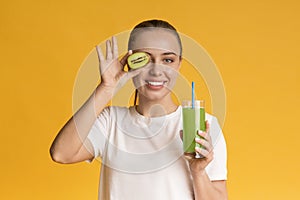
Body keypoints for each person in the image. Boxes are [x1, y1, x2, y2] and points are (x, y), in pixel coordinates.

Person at [50, 19, 228, 200]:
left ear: (179, 64)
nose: (156, 71)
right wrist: (106, 89)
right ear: (130, 62)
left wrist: (198, 172)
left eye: (167, 59)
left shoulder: (203, 125)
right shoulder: (111, 121)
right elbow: (61, 154)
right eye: (144, 59)